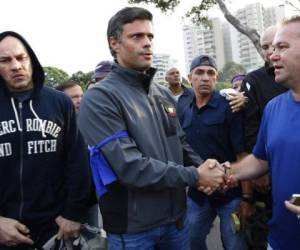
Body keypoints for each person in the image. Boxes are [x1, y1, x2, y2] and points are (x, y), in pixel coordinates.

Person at [78, 7, 225, 250]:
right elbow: (129, 167)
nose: (147, 43)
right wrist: (196, 176)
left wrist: (208, 169)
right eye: (137, 37)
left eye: (150, 37)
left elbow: (181, 143)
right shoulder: (100, 97)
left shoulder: (162, 94)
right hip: (134, 231)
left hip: (177, 222)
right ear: (114, 43)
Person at [0, 31, 90, 249]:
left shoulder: (59, 102)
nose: (15, 66)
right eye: (5, 60)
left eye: (21, 58)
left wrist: (73, 213)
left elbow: (77, 161)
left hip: (55, 229)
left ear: (31, 59)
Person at [227, 16, 300, 250]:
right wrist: (225, 172)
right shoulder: (274, 107)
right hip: (279, 241)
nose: (272, 55)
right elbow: (260, 159)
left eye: (282, 47)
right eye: (271, 48)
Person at [177, 55, 247, 250]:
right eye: (199, 73)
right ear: (190, 78)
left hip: (230, 193)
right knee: (190, 242)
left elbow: (242, 155)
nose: (205, 78)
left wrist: (247, 198)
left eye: (210, 73)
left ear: (216, 78)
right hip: (198, 194)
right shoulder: (185, 111)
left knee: (235, 245)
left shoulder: (231, 106)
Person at [239, 25, 288, 250]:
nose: (271, 53)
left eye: (280, 46)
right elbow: (253, 136)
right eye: (266, 47)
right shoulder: (269, 101)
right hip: (269, 172)